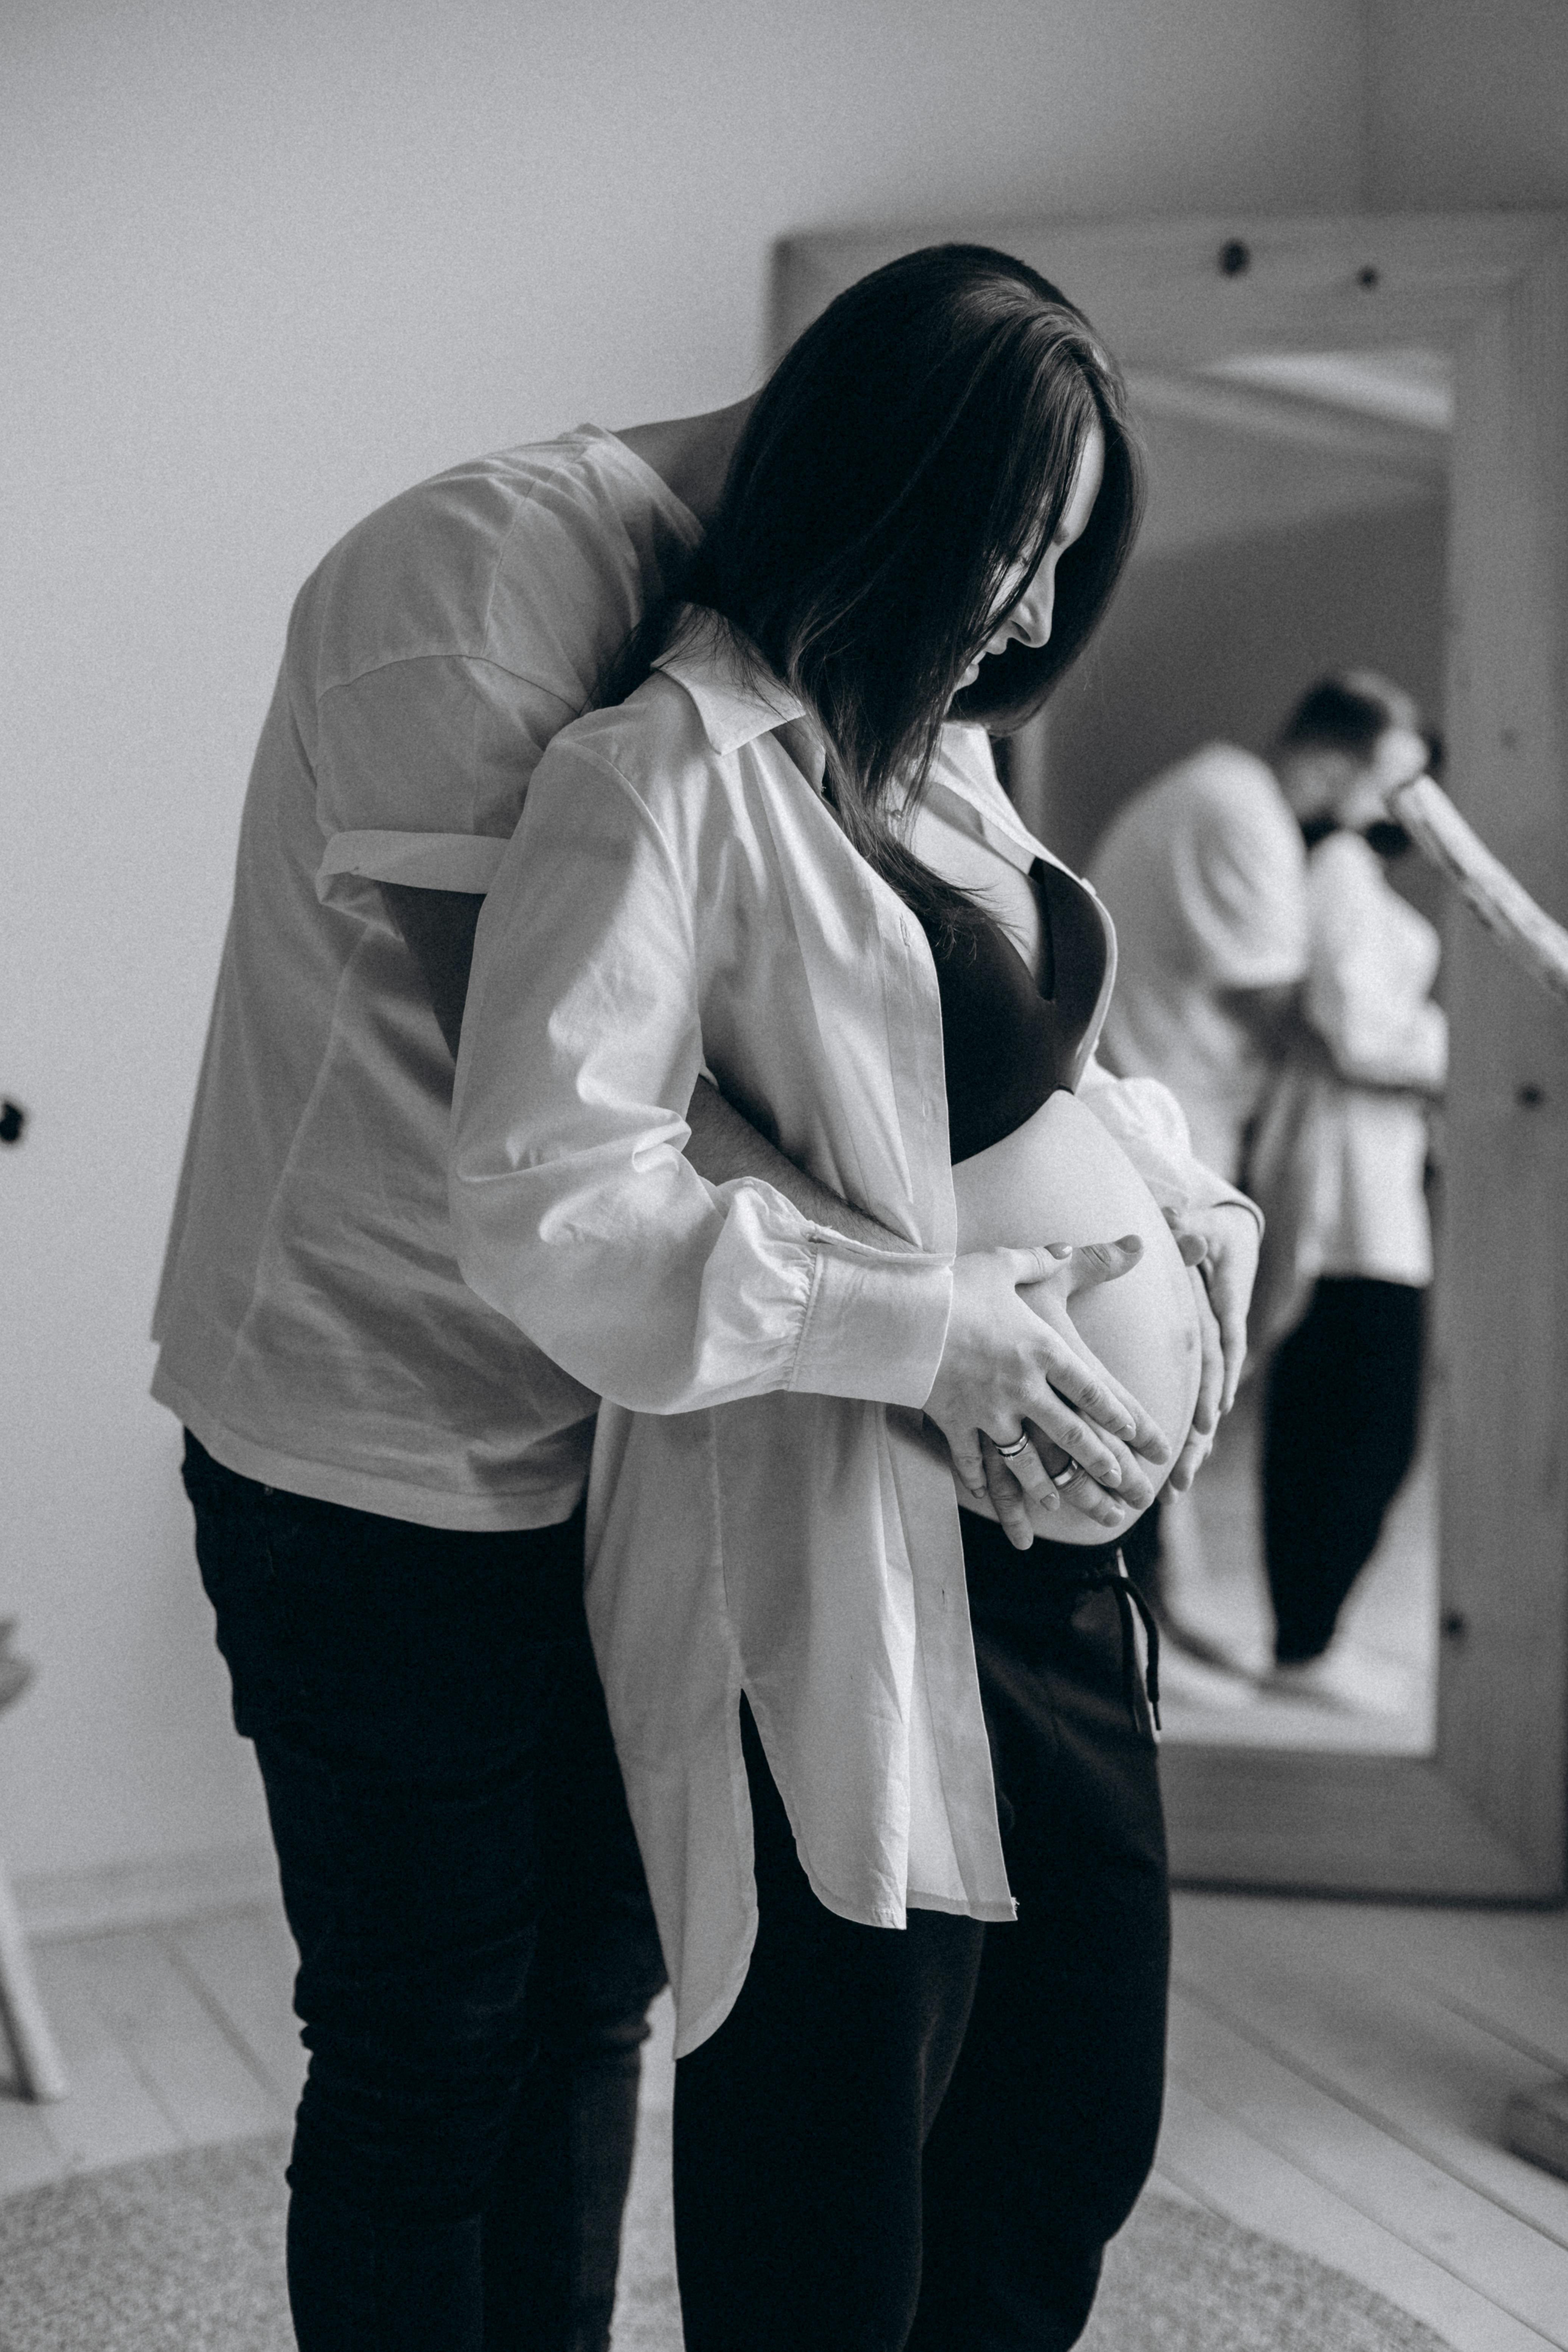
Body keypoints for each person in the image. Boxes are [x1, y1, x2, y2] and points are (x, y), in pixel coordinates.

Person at [152, 256, 1247, 2347]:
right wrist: (946, 1321)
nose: (1026, 620)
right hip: (387, 1427)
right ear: (895, 465)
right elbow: (582, 1127)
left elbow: (997, 1018)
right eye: (1009, 548)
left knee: (585, 2001)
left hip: (662, 1437)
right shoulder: (492, 590)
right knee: (431, 2040)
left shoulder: (877, 670)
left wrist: (1159, 1221)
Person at [1089, 676, 1432, 1646]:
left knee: (1169, 1379)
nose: (1382, 813)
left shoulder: (1230, 802)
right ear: (1332, 761)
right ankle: (1142, 1617)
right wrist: (1444, 1056)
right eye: (1382, 782)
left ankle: (1158, 1608)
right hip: (1160, 1129)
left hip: (1171, 1120)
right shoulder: (1238, 809)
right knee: (1153, 1378)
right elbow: (1297, 1015)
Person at [1244, 677, 1445, 1709]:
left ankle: (1309, 1631)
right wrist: (1453, 1053)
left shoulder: (1351, 878)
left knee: (1365, 1412)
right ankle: (1301, 1640)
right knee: (1351, 1411)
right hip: (1340, 1178)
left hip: (1379, 1173)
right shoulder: (1330, 866)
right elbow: (1342, 1025)